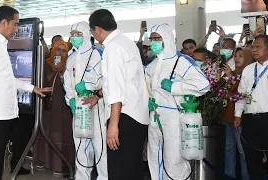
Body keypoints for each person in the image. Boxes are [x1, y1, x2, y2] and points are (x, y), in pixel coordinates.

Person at [0, 6, 51, 180]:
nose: (16, 29)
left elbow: (7, 79)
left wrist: (32, 88)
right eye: (15, 24)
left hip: (3, 114)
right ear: (4, 22)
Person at [89, 9, 149, 180]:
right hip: (138, 116)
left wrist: (113, 125)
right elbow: (125, 81)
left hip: (124, 116)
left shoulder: (112, 47)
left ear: (98, 29)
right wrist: (98, 95)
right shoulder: (125, 42)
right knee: (133, 168)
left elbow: (116, 89)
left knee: (120, 170)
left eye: (92, 31)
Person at [146, 23, 209, 180]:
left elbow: (203, 85)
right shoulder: (151, 65)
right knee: (154, 158)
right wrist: (147, 100)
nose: (153, 42)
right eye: (152, 38)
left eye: (157, 38)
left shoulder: (182, 61)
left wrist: (175, 87)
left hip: (174, 117)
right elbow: (144, 87)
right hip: (154, 116)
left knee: (174, 161)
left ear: (167, 39)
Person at [63, 21, 107, 180]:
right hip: (79, 109)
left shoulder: (99, 54)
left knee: (100, 150)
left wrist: (88, 84)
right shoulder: (71, 58)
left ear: (87, 34)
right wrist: (70, 100)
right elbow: (67, 82)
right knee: (81, 150)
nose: (74, 37)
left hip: (97, 108)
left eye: (78, 34)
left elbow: (106, 78)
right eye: (72, 34)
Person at [33, 40, 75, 175]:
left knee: (61, 131)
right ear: (53, 51)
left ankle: (60, 163)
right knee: (47, 130)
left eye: (64, 51)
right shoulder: (46, 64)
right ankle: (43, 160)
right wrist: (52, 71)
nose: (61, 53)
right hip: (48, 104)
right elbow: (40, 82)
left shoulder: (69, 65)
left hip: (63, 106)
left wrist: (62, 73)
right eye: (58, 50)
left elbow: (71, 85)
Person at [234, 34, 268, 180]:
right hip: (250, 120)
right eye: (253, 47)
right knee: (251, 157)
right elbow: (241, 93)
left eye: (258, 47)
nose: (254, 50)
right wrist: (237, 114)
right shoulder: (248, 69)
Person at [217, 47, 253, 180]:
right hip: (228, 117)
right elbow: (221, 89)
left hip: (240, 117)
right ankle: (229, 175)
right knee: (229, 149)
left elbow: (241, 94)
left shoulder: (249, 74)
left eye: (241, 56)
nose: (237, 58)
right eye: (236, 55)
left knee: (242, 150)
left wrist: (231, 76)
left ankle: (246, 176)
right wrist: (221, 75)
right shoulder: (233, 73)